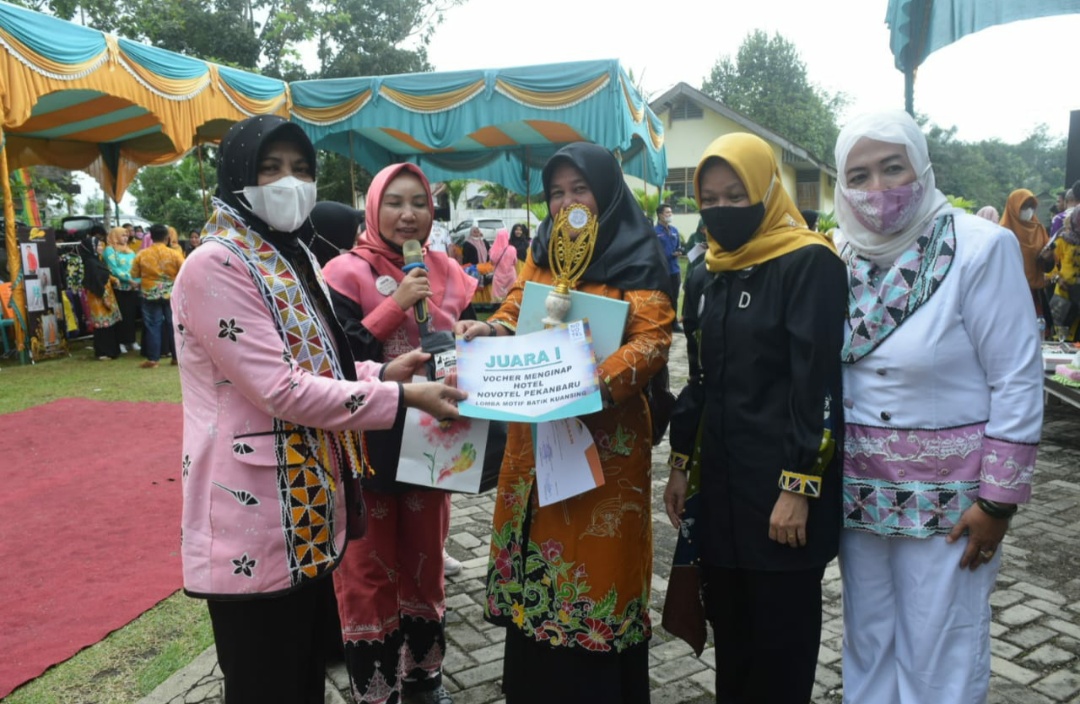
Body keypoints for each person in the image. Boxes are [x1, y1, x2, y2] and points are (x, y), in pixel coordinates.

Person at [171, 114, 466, 704]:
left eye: (302, 169)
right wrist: (401, 395)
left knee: (302, 679)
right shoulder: (216, 265)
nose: (291, 183)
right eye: (271, 168)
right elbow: (281, 389)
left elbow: (323, 366)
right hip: (249, 528)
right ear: (237, 176)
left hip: (308, 516)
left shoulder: (289, 256)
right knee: (266, 686)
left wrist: (384, 370)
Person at [832, 110, 1043, 704]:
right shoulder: (839, 253)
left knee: (942, 646)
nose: (878, 190)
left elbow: (1017, 379)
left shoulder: (982, 247)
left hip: (953, 498)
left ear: (922, 166)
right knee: (867, 639)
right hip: (859, 492)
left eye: (892, 168)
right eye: (860, 174)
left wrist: (998, 502)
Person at [455, 142, 674, 704]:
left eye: (580, 189)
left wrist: (592, 379)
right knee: (535, 562)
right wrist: (494, 331)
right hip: (535, 437)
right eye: (557, 192)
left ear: (606, 191)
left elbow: (654, 339)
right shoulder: (548, 247)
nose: (568, 202)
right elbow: (518, 302)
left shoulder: (636, 249)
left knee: (595, 566)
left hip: (605, 444)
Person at [662, 132, 845, 704]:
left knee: (780, 648)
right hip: (721, 490)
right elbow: (699, 380)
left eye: (735, 195)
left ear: (767, 190)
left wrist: (798, 486)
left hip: (781, 494)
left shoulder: (808, 263)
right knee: (733, 641)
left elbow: (817, 387)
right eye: (709, 198)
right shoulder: (707, 273)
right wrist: (680, 463)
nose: (721, 210)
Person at [321, 163, 479, 704]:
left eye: (418, 203)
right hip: (368, 447)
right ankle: (376, 691)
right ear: (373, 209)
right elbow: (335, 360)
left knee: (424, 564)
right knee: (367, 573)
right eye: (394, 202)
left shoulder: (452, 271)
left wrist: (472, 336)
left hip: (434, 445)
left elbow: (465, 341)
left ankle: (423, 680)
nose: (408, 214)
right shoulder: (343, 272)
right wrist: (395, 305)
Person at [1000, 188, 1055, 334]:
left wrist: (1048, 258)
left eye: (1031, 207)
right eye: (1024, 206)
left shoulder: (1038, 229)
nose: (1028, 211)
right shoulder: (1002, 232)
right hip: (1009, 293)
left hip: (1035, 293)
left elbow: (1048, 266)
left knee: (1038, 332)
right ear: (1014, 207)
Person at [130, 223, 185, 368]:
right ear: (167, 238)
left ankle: (153, 359)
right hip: (170, 293)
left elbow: (134, 274)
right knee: (172, 324)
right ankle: (176, 357)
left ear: (151, 237)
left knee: (153, 325)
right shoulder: (174, 254)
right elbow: (183, 271)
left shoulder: (142, 254)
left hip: (150, 293)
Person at [76, 227, 123, 360]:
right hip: (99, 298)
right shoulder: (90, 263)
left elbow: (105, 274)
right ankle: (103, 352)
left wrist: (114, 280)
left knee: (110, 325)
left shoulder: (98, 260)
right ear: (92, 248)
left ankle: (111, 351)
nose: (101, 247)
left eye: (101, 245)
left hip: (107, 294)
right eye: (99, 245)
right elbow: (95, 283)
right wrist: (104, 298)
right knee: (102, 326)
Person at [103, 225, 140, 353]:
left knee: (131, 315)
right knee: (121, 315)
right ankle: (121, 342)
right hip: (120, 287)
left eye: (126, 235)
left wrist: (137, 281)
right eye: (122, 235)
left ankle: (131, 340)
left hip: (133, 287)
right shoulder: (110, 250)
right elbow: (113, 269)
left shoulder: (130, 250)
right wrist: (128, 279)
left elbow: (136, 267)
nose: (125, 238)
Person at [654, 203, 683, 331]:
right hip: (662, 270)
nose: (670, 215)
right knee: (663, 297)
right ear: (660, 215)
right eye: (667, 213)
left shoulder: (675, 230)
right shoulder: (654, 232)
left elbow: (679, 246)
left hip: (675, 269)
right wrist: (670, 254)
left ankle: (674, 323)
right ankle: (662, 322)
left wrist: (680, 250)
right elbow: (654, 251)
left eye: (671, 212)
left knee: (674, 297)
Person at [460, 225, 493, 304]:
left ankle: (485, 302)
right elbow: (465, 258)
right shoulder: (467, 243)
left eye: (477, 231)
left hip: (484, 268)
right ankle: (475, 303)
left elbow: (489, 253)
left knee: (485, 284)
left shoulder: (484, 242)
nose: (476, 233)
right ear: (471, 232)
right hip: (473, 269)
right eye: (474, 231)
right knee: (475, 286)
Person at [488, 227, 518, 301]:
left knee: (497, 297)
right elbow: (515, 262)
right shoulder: (512, 249)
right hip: (511, 276)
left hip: (498, 276)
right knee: (510, 295)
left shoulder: (494, 250)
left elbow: (492, 262)